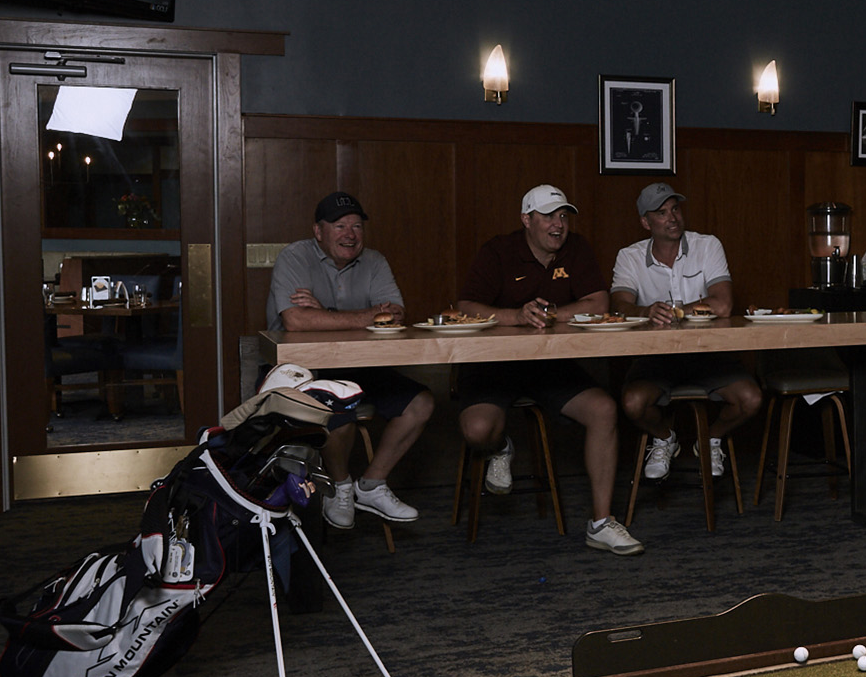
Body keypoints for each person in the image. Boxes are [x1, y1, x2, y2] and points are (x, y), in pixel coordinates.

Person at [455, 184, 640, 556]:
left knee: (604, 409)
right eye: (549, 217)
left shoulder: (577, 248)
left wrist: (552, 313)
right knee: (478, 430)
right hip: (493, 367)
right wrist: (516, 316)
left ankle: (601, 523)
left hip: (550, 365)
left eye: (563, 216)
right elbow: (465, 306)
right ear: (527, 220)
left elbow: (599, 302)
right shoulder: (499, 250)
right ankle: (500, 447)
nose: (559, 225)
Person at [265, 191, 435, 531]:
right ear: (318, 231)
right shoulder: (294, 257)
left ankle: (371, 485)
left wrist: (326, 313)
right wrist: (369, 315)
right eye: (340, 226)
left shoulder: (375, 261)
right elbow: (296, 321)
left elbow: (395, 315)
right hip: (303, 373)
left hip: (360, 367)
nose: (350, 234)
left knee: (421, 404)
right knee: (337, 417)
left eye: (357, 226)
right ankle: (340, 487)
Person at [610, 182, 763, 480]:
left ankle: (710, 439)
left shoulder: (707, 245)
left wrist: (674, 311)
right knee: (632, 404)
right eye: (661, 212)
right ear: (645, 222)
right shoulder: (629, 256)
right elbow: (619, 306)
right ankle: (665, 438)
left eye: (675, 209)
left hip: (709, 354)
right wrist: (645, 311)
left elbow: (723, 304)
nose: (672, 217)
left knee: (752, 399)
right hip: (655, 358)